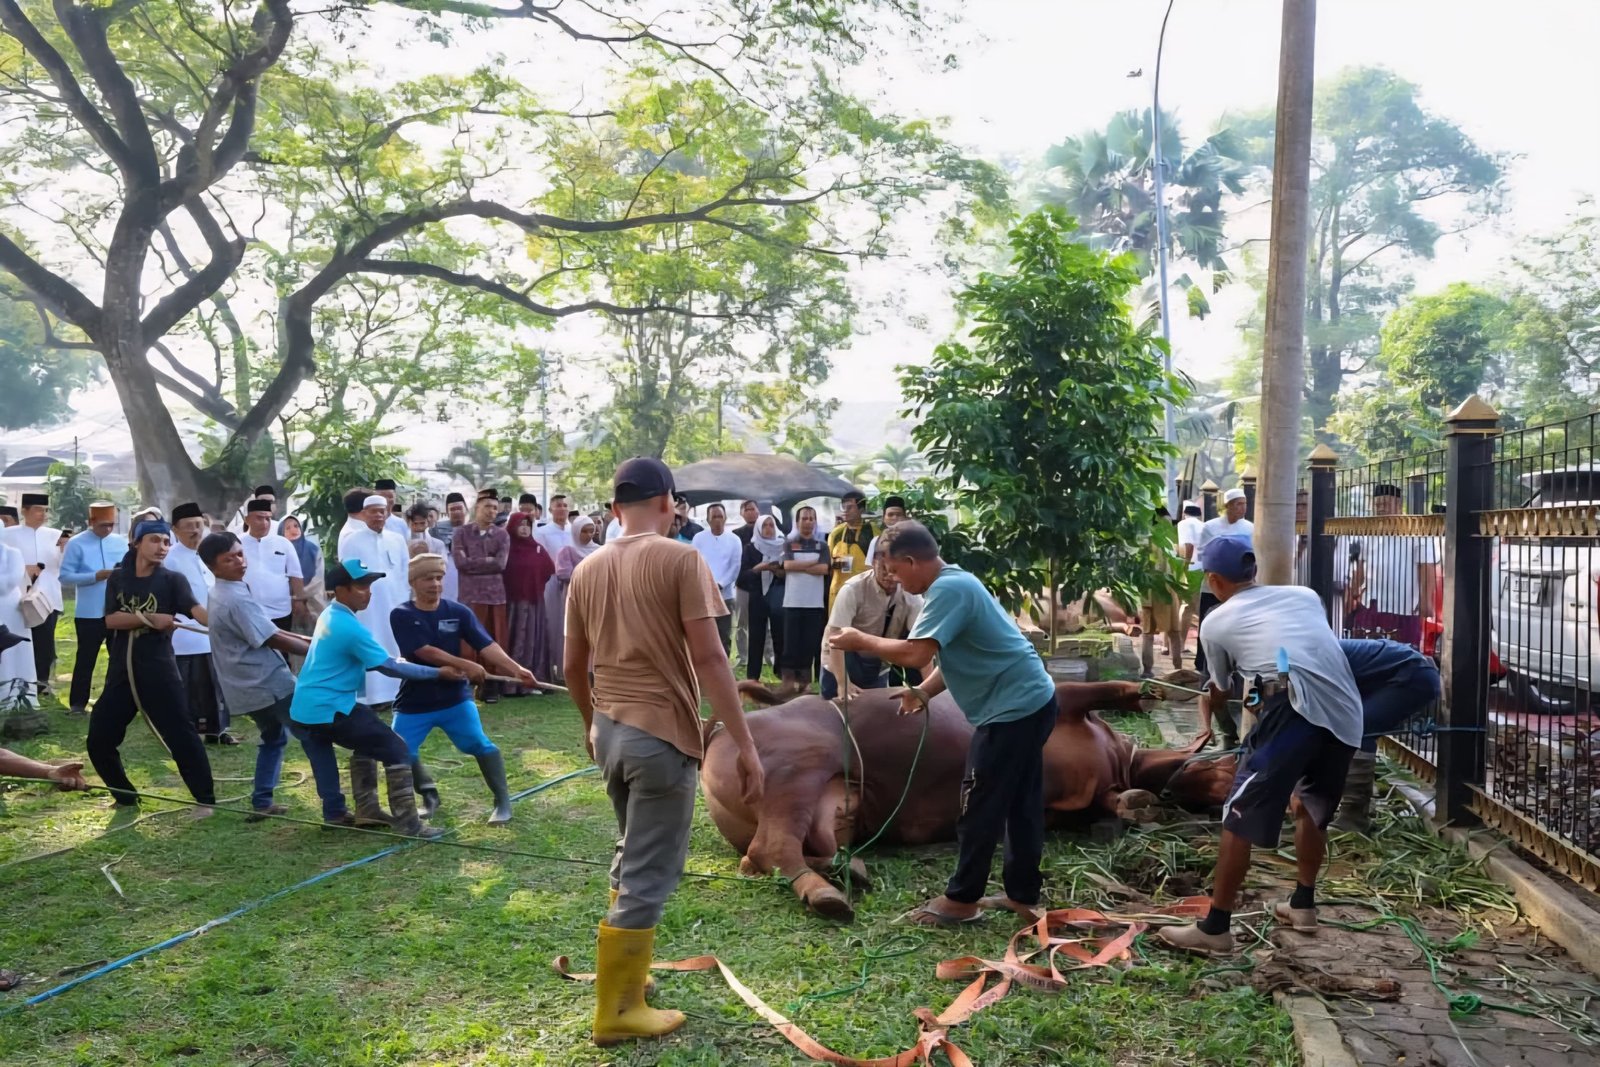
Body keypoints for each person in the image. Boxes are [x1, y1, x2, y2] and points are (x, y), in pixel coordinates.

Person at [564, 456, 764, 1047]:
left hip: (611, 731)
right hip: (660, 738)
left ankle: (627, 979)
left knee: (633, 853)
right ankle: (618, 1010)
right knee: (652, 869)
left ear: (616, 504)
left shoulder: (588, 567)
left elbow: (572, 666)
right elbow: (710, 658)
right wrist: (745, 742)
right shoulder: (681, 558)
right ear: (668, 500)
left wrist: (589, 723)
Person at [829, 520, 1059, 927]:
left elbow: (917, 654)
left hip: (1011, 711)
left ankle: (962, 900)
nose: (896, 581)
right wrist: (924, 693)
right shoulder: (956, 583)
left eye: (897, 572)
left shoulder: (949, 589)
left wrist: (861, 641)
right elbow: (956, 654)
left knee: (979, 804)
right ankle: (1023, 893)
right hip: (1030, 701)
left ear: (912, 561)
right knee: (1021, 802)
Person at [1157, 538, 1363, 955]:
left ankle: (1215, 929)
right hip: (1345, 707)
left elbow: (1220, 686)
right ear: (1254, 570)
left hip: (1293, 707)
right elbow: (1291, 649)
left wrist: (1211, 725)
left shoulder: (1216, 621)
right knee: (1309, 804)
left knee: (1238, 813)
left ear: (1213, 580)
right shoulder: (1304, 595)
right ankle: (1303, 905)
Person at [291, 560, 464, 838]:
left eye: (370, 585)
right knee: (397, 749)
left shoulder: (331, 615)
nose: (368, 592)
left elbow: (383, 661)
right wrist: (438, 673)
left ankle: (355, 812)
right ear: (340, 590)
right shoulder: (349, 627)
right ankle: (410, 824)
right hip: (330, 708)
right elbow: (388, 667)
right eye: (361, 586)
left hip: (306, 707)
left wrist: (400, 662)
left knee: (364, 742)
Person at [200, 532, 349, 823]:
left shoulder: (225, 590)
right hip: (267, 684)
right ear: (212, 567)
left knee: (273, 738)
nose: (239, 562)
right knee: (314, 736)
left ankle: (262, 800)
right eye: (228, 559)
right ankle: (335, 810)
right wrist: (317, 651)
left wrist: (314, 642)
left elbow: (272, 630)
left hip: (244, 687)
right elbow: (272, 638)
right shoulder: (233, 598)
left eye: (239, 554)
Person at [390, 553, 536, 825]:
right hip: (415, 699)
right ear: (413, 582)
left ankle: (502, 801)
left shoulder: (458, 612)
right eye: (427, 578)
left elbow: (486, 644)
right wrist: (466, 664)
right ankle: (429, 796)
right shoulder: (401, 614)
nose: (435, 584)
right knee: (399, 750)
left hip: (454, 699)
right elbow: (424, 651)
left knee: (479, 744)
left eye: (438, 578)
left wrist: (516, 669)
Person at [86, 519, 217, 813]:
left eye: (166, 542)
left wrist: (221, 622)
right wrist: (152, 619)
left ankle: (205, 800)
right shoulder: (118, 579)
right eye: (155, 540)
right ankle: (124, 796)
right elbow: (110, 619)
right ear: (137, 543)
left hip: (159, 670)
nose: (162, 547)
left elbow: (196, 611)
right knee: (99, 739)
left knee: (181, 735)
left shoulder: (172, 580)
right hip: (123, 670)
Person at [1333, 638, 1441, 832]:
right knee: (1345, 731)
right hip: (1397, 675)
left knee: (1359, 730)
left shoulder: (1311, 662)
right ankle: (1354, 806)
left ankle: (1354, 816)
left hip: (1412, 675)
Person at [338, 490, 412, 708]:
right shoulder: (352, 540)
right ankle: (371, 698)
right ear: (364, 514)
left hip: (395, 601)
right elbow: (348, 572)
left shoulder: (397, 539)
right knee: (369, 644)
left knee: (393, 644)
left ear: (387, 513)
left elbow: (405, 570)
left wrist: (406, 597)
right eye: (373, 512)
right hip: (367, 606)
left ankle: (395, 693)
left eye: (382, 511)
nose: (378, 516)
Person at [166, 503, 232, 744]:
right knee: (189, 686)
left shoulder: (209, 554)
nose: (195, 531)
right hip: (184, 633)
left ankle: (219, 730)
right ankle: (189, 732)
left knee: (216, 685)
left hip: (213, 631)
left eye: (198, 525)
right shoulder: (170, 559)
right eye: (188, 527)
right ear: (175, 530)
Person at [1347, 483, 1437, 648]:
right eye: (1377, 505)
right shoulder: (1370, 531)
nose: (1380, 508)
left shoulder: (1416, 531)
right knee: (1369, 651)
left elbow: (1426, 567)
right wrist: (1353, 591)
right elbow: (1361, 564)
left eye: (1385, 504)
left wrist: (1426, 601)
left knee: (1403, 654)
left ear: (1399, 505)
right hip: (1371, 603)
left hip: (1404, 606)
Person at [822, 553, 922, 699]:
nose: (889, 575)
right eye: (884, 569)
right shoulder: (852, 589)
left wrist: (928, 689)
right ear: (873, 563)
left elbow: (922, 643)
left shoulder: (911, 593)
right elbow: (835, 639)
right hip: (842, 662)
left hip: (879, 665)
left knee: (875, 713)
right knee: (834, 714)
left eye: (895, 570)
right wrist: (843, 683)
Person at [61, 502, 127, 716]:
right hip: (89, 612)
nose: (107, 529)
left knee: (118, 658)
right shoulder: (76, 543)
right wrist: (95, 576)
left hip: (117, 610)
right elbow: (65, 576)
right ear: (91, 522)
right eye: (102, 525)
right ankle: (78, 704)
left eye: (111, 525)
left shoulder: (121, 542)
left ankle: (112, 701)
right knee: (86, 659)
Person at [4, 492, 62, 697]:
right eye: (38, 509)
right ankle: (17, 679)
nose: (42, 514)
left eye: (45, 510)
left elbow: (63, 566)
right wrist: (24, 569)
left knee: (45, 643)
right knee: (18, 640)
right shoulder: (8, 535)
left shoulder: (56, 535)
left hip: (48, 596)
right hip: (17, 597)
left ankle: (42, 683)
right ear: (24, 510)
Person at [454, 493, 510, 703]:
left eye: (495, 508)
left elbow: (501, 564)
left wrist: (474, 561)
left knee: (494, 639)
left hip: (495, 595)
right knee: (468, 640)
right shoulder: (461, 533)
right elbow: (460, 564)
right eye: (487, 506)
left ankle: (491, 685)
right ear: (476, 508)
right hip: (470, 595)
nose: (492, 511)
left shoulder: (502, 535)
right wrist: (487, 561)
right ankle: (467, 683)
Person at [1192, 487, 1254, 676]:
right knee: (1208, 623)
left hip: (1238, 586)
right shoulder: (1210, 527)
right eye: (1238, 504)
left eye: (1245, 504)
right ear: (1227, 506)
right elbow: (1202, 553)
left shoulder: (1249, 528)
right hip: (1215, 585)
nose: (1242, 508)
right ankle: (1204, 666)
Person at [503, 512, 555, 697]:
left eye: (527, 525)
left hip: (534, 602)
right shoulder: (506, 548)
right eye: (520, 524)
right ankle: (511, 683)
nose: (524, 528)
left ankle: (535, 681)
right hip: (512, 604)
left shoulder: (537, 548)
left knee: (534, 640)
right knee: (514, 639)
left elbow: (549, 570)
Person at [779, 506, 830, 693]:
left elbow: (824, 570)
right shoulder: (789, 543)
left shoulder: (822, 545)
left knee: (809, 643)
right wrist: (813, 563)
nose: (808, 522)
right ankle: (788, 682)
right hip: (793, 601)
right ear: (797, 522)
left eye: (811, 518)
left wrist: (800, 566)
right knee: (791, 644)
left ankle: (805, 683)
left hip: (814, 603)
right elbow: (787, 565)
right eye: (804, 518)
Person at [241, 499, 305, 631]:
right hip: (248, 612)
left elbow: (295, 574)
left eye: (268, 519)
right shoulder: (237, 543)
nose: (265, 523)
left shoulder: (283, 543)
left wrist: (299, 600)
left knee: (282, 650)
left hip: (280, 612)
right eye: (259, 518)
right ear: (247, 520)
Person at [1139, 507, 1187, 677]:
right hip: (1165, 592)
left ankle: (1150, 670)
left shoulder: (1145, 544)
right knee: (1171, 631)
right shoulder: (1172, 545)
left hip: (1150, 593)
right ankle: (1177, 668)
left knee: (1150, 633)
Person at [691, 504, 743, 654]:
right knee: (703, 636)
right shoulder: (699, 538)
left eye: (720, 516)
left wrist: (720, 584)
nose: (718, 520)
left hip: (725, 595)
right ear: (708, 520)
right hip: (703, 594)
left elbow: (735, 567)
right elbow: (694, 564)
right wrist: (706, 584)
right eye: (714, 517)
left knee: (723, 636)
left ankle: (723, 670)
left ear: (725, 518)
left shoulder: (734, 540)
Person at [740, 515, 786, 682]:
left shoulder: (784, 546)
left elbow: (789, 575)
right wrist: (758, 569)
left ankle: (781, 673)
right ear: (758, 528)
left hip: (778, 597)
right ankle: (753, 678)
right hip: (757, 596)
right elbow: (742, 577)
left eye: (771, 525)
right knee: (756, 637)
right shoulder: (751, 548)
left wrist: (779, 572)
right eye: (764, 525)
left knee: (780, 636)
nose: (768, 528)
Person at [534, 495, 574, 679]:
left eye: (565, 506)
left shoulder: (574, 531)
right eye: (558, 505)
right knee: (552, 622)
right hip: (550, 582)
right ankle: (550, 668)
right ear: (550, 509)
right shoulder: (543, 532)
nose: (562, 509)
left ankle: (568, 666)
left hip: (572, 582)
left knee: (569, 623)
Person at [553, 515, 600, 666]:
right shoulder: (567, 550)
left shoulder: (600, 550)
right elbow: (563, 573)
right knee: (574, 632)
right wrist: (588, 575)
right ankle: (573, 667)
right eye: (584, 531)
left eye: (591, 531)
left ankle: (593, 667)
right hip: (574, 596)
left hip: (596, 597)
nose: (588, 535)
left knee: (595, 631)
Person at [826, 490, 876, 609]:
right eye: (843, 507)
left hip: (864, 594)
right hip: (838, 592)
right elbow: (827, 563)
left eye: (850, 507)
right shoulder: (835, 533)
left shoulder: (873, 533)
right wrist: (839, 564)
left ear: (861, 509)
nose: (845, 511)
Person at [278, 515, 324, 639]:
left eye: (296, 526)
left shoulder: (313, 549)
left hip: (312, 601)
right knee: (291, 640)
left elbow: (318, 579)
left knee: (316, 639)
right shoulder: (277, 552)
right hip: (286, 604)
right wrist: (292, 599)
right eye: (287, 528)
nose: (294, 530)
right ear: (280, 532)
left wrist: (300, 596)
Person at [0, 552, 35, 713]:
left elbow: (7, 584)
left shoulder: (11, 553)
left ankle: (14, 693)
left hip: (9, 610)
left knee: (12, 652)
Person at [731, 500, 760, 669]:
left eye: (753, 509)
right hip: (743, 584)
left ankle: (768, 656)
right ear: (742, 513)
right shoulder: (736, 535)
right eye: (746, 510)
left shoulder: (766, 530)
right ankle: (743, 656)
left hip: (762, 585)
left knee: (767, 626)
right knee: (742, 623)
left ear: (758, 511)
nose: (750, 512)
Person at [1176, 500, 1205, 639]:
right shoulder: (1203, 525)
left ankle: (1180, 644)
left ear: (1184, 513)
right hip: (1201, 568)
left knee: (1187, 606)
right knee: (1195, 606)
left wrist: (1184, 566)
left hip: (1190, 569)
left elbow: (1188, 545)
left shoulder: (1184, 524)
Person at [438, 492, 468, 601]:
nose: (456, 512)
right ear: (447, 512)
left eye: (459, 508)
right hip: (446, 580)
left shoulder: (474, 530)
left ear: (466, 509)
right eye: (452, 509)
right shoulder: (436, 530)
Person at [863, 495, 907, 567]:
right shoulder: (876, 541)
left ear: (905, 518)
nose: (894, 518)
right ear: (884, 518)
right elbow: (870, 567)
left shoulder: (915, 540)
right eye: (890, 515)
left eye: (899, 515)